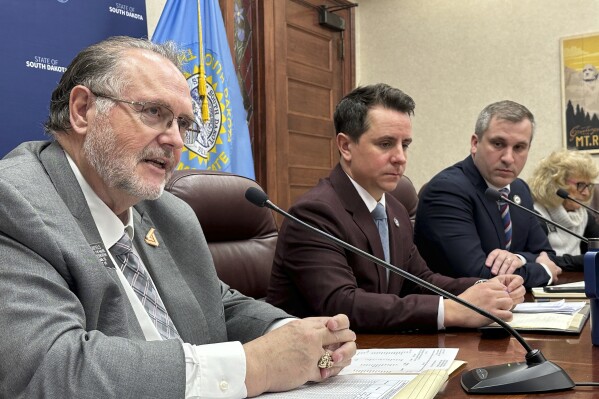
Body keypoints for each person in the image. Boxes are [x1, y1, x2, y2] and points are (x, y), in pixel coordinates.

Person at [0, 36, 356, 398]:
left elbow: (217, 305)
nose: (175, 140)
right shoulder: (14, 202)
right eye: (154, 112)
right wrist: (255, 366)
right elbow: (47, 368)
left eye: (183, 124)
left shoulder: (169, 212)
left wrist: (297, 335)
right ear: (82, 110)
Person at [266, 83, 525, 333]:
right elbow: (342, 304)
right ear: (346, 146)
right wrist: (449, 311)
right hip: (316, 365)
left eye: (405, 144)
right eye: (386, 144)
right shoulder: (314, 213)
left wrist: (488, 287)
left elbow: (422, 280)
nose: (400, 157)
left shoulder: (394, 208)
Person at [414, 100, 561, 289]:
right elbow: (478, 275)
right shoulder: (447, 191)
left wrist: (518, 259)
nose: (508, 158)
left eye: (519, 148)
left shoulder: (519, 189)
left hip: (511, 307)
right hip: (456, 311)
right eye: (498, 144)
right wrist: (545, 272)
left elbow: (546, 253)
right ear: (475, 143)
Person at [529, 150, 599, 271]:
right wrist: (584, 260)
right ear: (555, 184)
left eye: (588, 186)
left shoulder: (583, 215)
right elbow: (541, 259)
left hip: (578, 280)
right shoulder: (537, 215)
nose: (586, 193)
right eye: (580, 185)